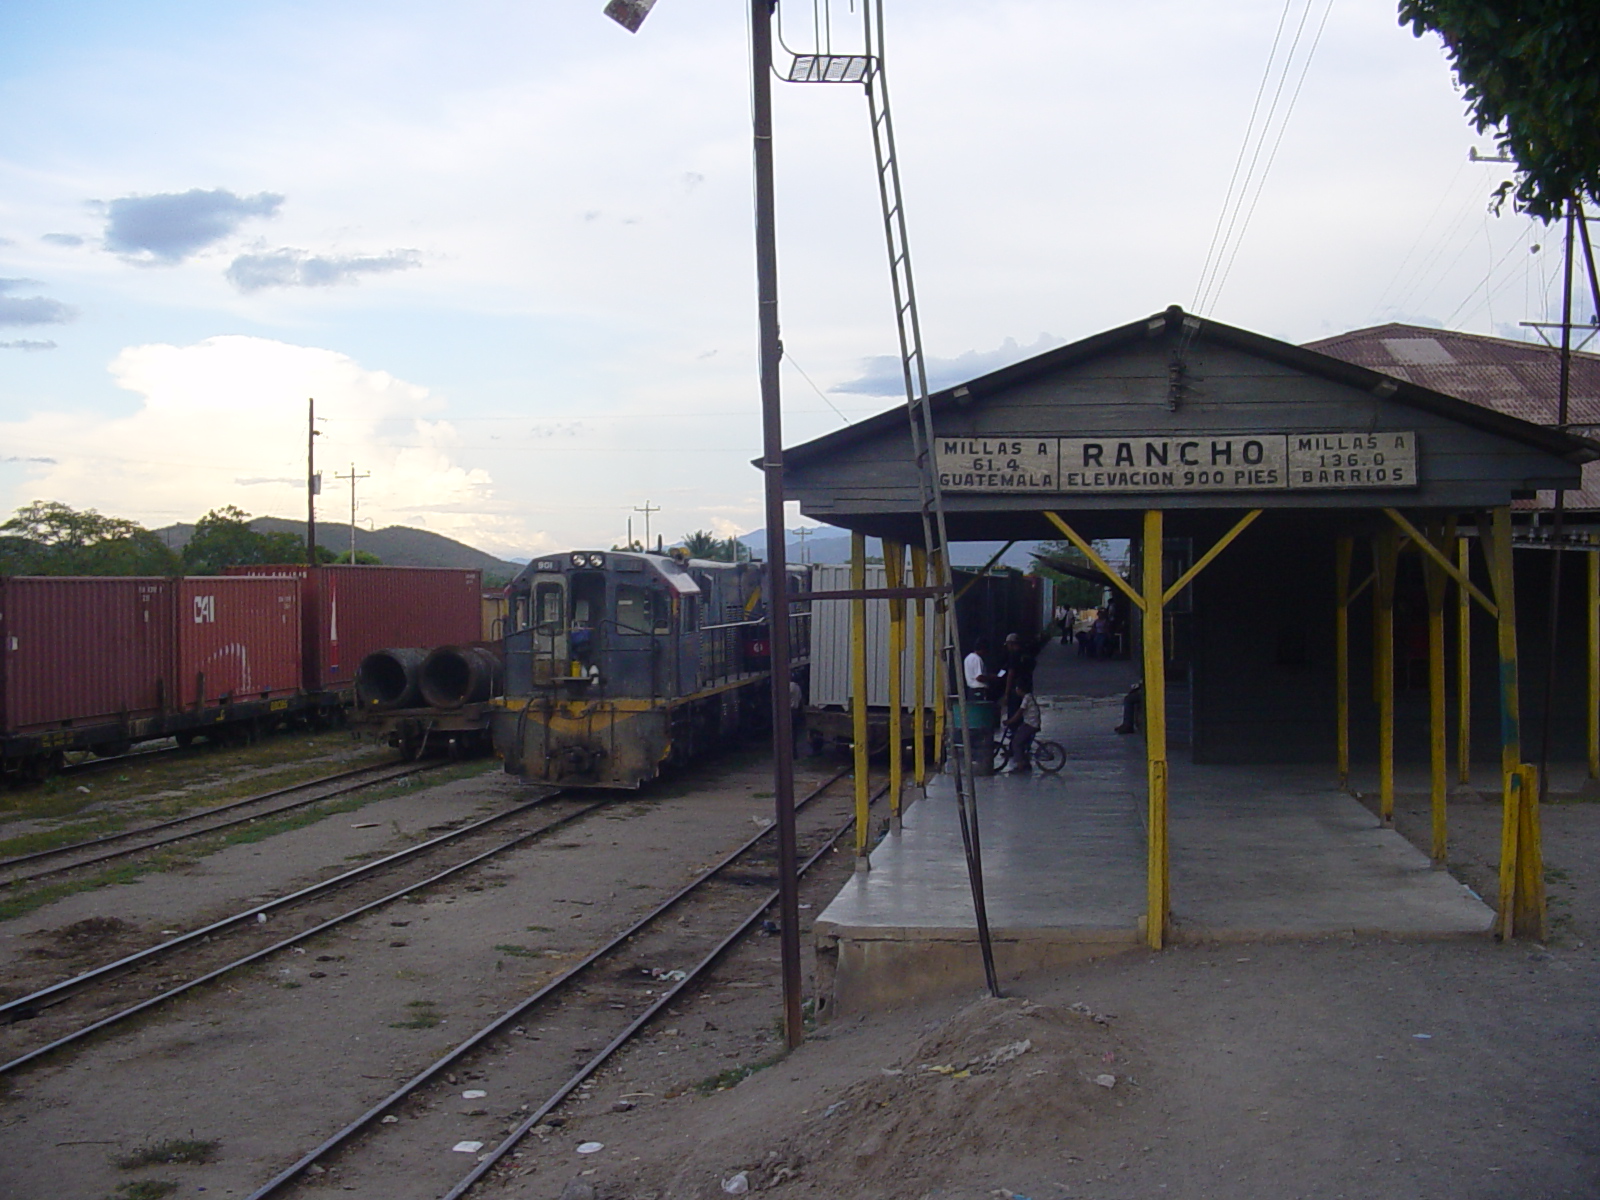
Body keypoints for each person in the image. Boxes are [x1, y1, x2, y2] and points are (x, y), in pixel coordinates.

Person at [1003, 680, 1041, 773]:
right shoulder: (1029, 697)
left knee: (1016, 742)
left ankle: (1020, 766)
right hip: (1032, 722)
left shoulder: (1026, 699)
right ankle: (1026, 762)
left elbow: (1019, 712)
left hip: (1031, 724)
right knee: (1023, 742)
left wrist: (1010, 721)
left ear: (1021, 689)